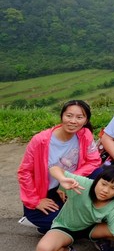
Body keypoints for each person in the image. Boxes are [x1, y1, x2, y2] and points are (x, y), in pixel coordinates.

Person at [18, 99, 101, 234]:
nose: (73, 121)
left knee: (99, 174)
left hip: (70, 187)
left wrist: (68, 180)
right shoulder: (40, 140)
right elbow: (24, 172)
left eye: (79, 117)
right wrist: (36, 201)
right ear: (62, 116)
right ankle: (90, 227)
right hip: (46, 192)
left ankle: (73, 223)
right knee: (48, 218)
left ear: (85, 120)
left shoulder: (85, 134)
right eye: (69, 116)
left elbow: (94, 162)